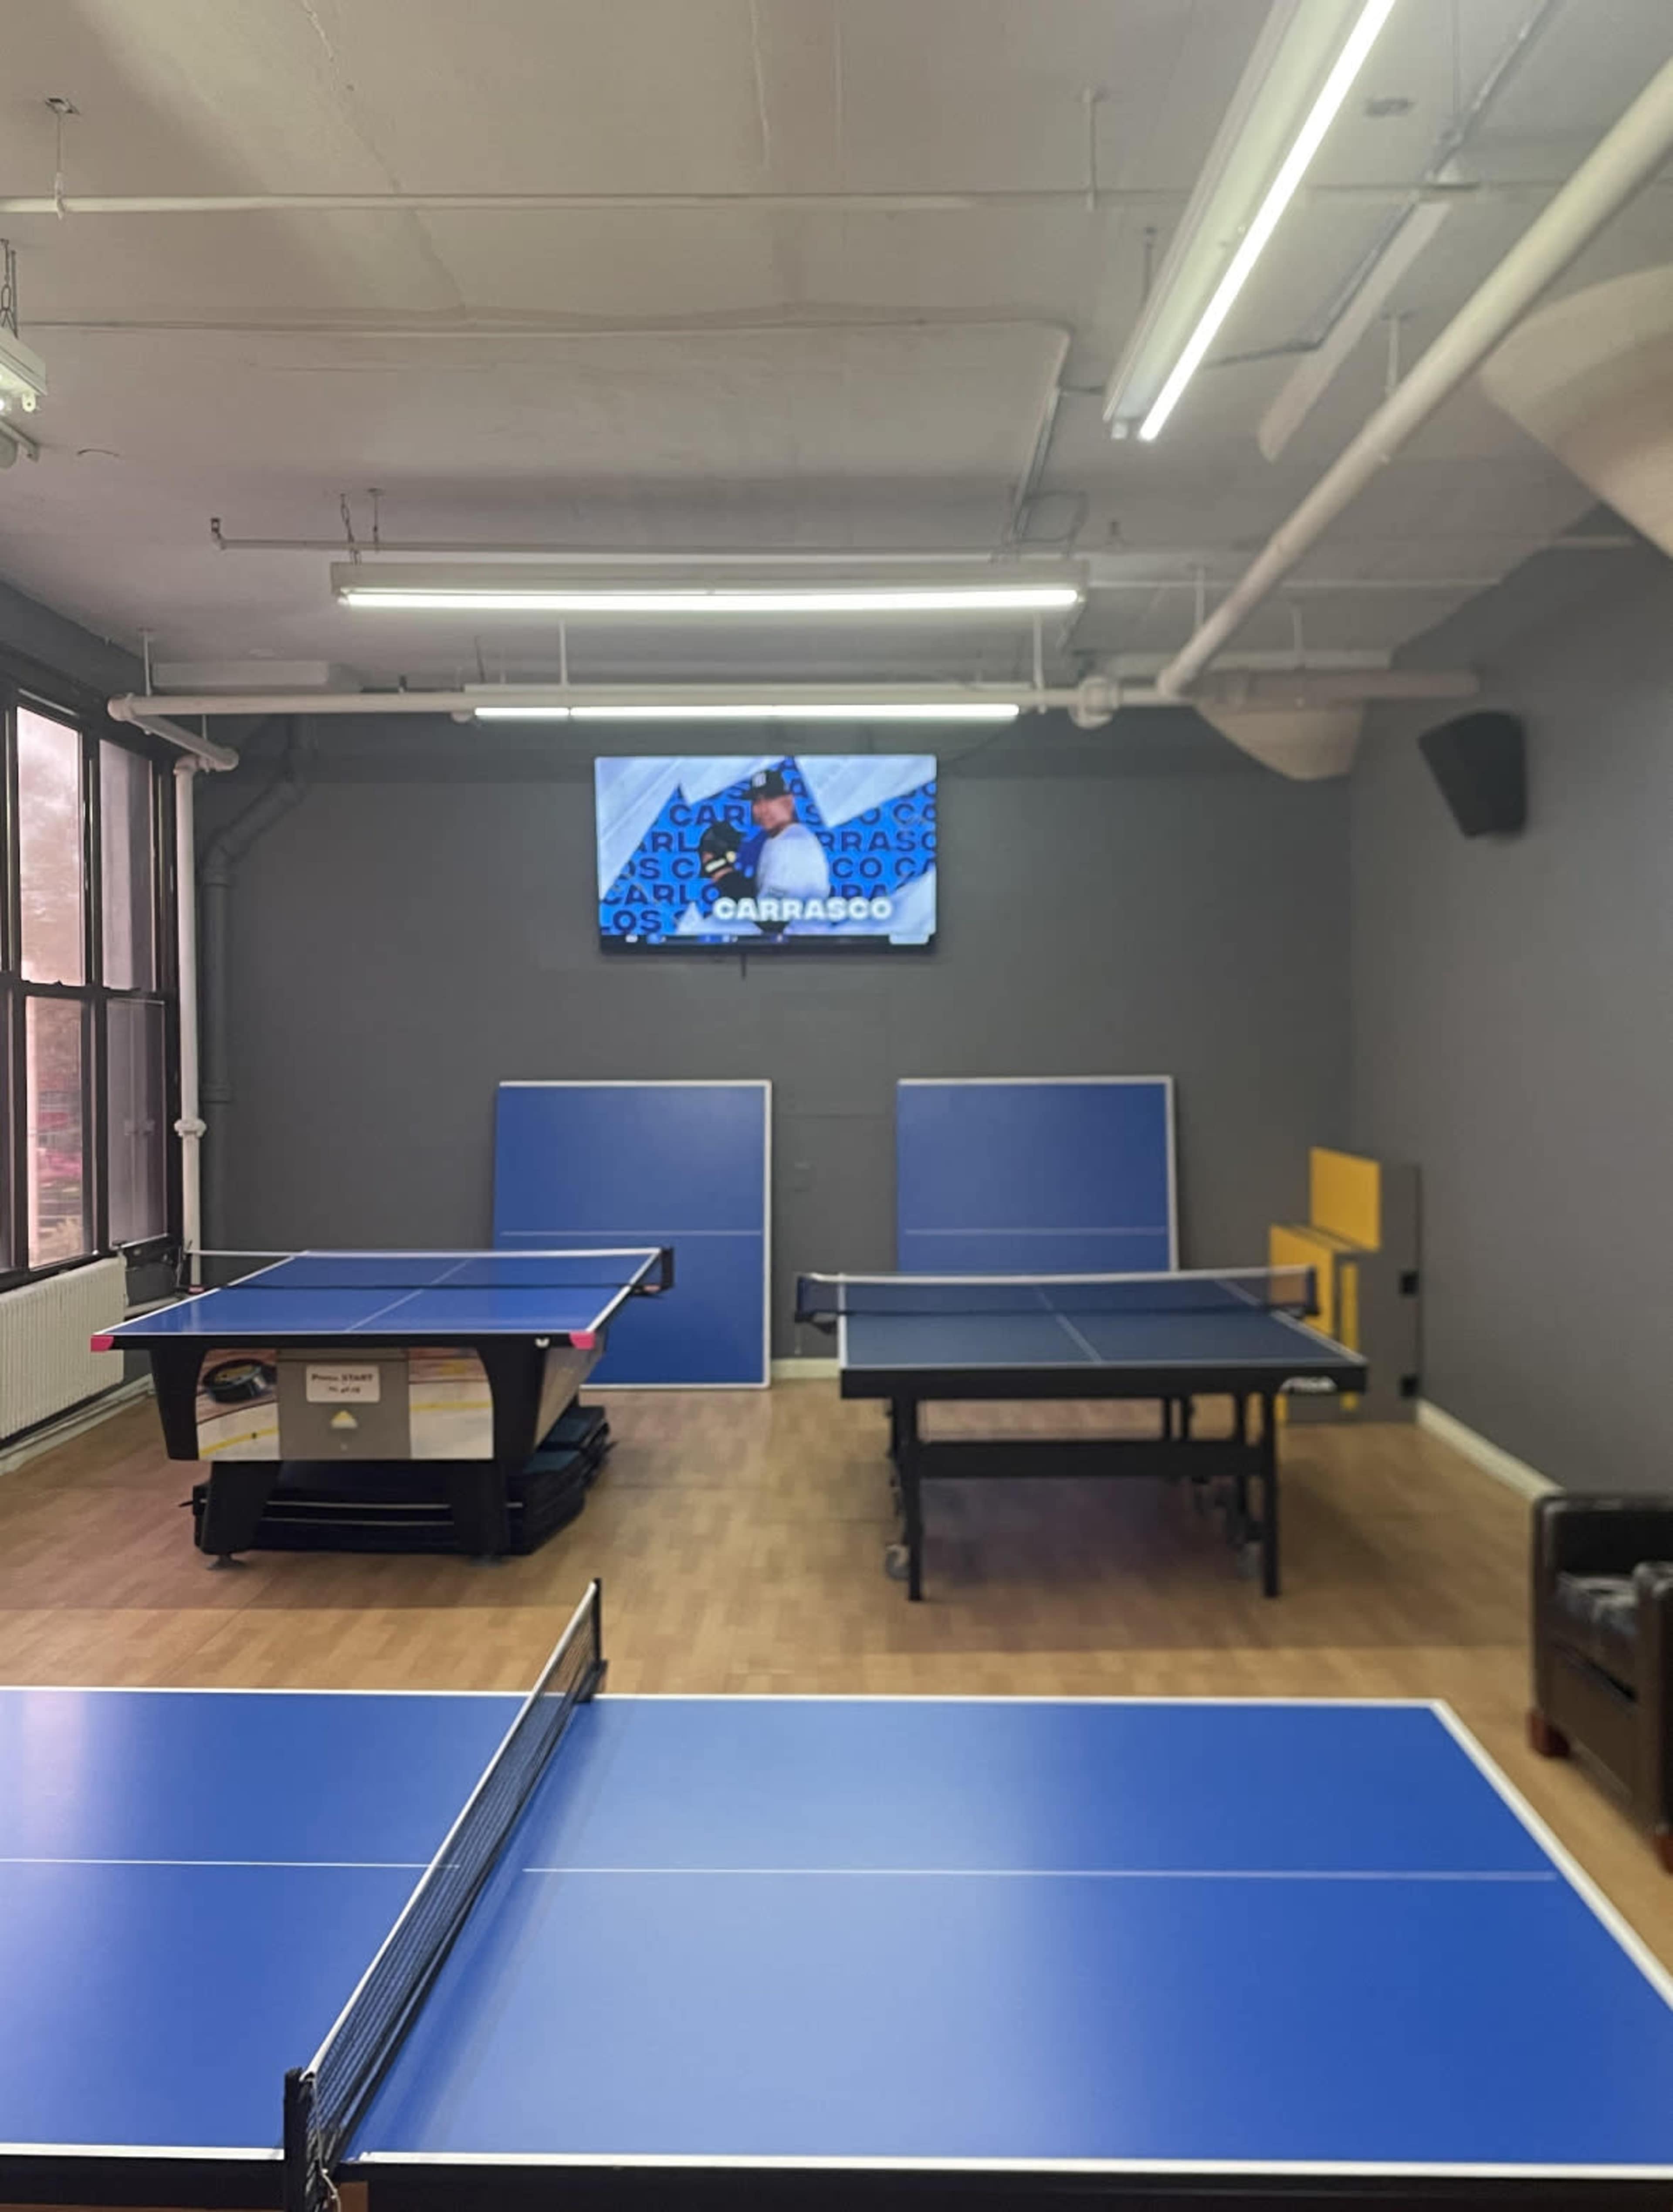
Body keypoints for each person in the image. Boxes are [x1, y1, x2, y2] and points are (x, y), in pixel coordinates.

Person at [696, 765, 831, 932]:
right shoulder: (777, 839)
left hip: (803, 950)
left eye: (770, 799)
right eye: (757, 801)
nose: (763, 809)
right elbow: (762, 900)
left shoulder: (792, 844)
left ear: (789, 802)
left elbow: (771, 918)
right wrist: (722, 871)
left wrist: (720, 871)